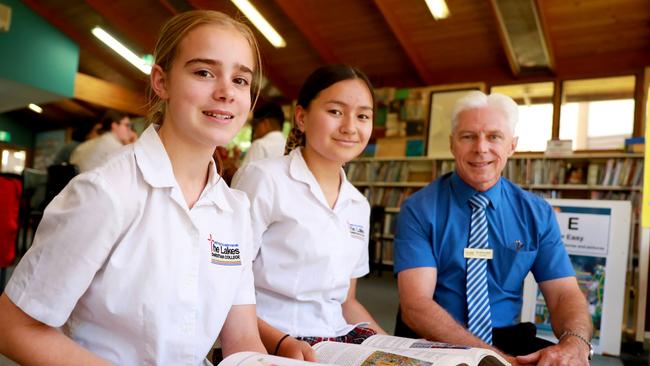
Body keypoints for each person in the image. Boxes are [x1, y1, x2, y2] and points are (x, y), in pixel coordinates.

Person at [0, 10, 266, 365]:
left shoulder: (236, 210)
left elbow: (243, 341)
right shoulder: (106, 193)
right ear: (161, 81)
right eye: (204, 72)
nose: (226, 93)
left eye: (240, 80)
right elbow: (12, 326)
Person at [393, 91, 593, 366]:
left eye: (494, 137)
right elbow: (416, 306)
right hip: (435, 339)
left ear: (512, 145)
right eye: (468, 136)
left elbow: (563, 294)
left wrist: (575, 343)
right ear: (452, 144)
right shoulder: (419, 209)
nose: (481, 148)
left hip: (507, 338)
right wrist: (492, 359)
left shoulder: (537, 213)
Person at [233, 65, 386, 361]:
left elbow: (346, 301)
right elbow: (225, 285)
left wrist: (390, 345)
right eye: (335, 112)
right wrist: (281, 343)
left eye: (363, 115)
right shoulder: (264, 178)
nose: (350, 127)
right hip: (271, 339)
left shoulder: (358, 204)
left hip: (335, 338)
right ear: (301, 117)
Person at [69, 110, 135, 172]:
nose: (130, 130)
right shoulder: (113, 145)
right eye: (127, 125)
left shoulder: (86, 145)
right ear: (114, 126)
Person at [240, 102, 286, 167]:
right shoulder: (290, 147)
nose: (255, 133)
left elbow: (245, 176)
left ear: (265, 123)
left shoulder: (260, 145)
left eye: (255, 125)